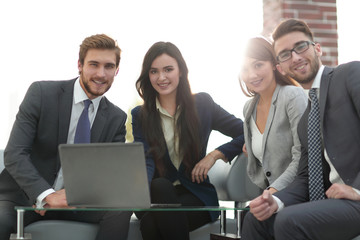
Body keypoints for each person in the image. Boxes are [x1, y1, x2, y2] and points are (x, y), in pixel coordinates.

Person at [0, 34, 132, 240]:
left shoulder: (116, 118)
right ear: (79, 65)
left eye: (108, 66)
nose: (101, 73)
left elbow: (106, 177)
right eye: (93, 64)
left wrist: (77, 196)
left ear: (117, 70)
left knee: (119, 209)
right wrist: (46, 195)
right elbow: (15, 154)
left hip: (77, 203)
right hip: (24, 197)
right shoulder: (42, 94)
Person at [242, 18, 360, 240]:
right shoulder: (307, 118)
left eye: (301, 47)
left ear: (317, 49)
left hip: (356, 198)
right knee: (255, 220)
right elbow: (306, 177)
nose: (295, 57)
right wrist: (274, 201)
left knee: (290, 221)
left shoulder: (349, 75)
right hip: (334, 203)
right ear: (280, 67)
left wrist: (357, 189)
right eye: (285, 54)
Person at [131, 41, 244, 240]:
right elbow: (144, 159)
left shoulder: (203, 105)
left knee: (151, 223)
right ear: (148, 76)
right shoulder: (141, 115)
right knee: (159, 186)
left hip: (195, 194)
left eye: (168, 70)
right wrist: (139, 193)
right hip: (155, 196)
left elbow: (246, 132)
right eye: (154, 71)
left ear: (181, 71)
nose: (162, 77)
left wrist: (215, 155)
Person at [240, 37, 307, 193]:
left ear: (274, 65)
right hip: (269, 192)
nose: (252, 75)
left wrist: (273, 191)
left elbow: (303, 155)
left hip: (299, 190)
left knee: (251, 217)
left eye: (258, 65)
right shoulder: (249, 108)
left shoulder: (292, 96)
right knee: (247, 215)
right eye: (244, 69)